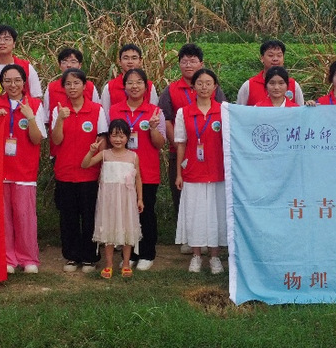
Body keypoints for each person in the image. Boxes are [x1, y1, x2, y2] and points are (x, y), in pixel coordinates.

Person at [0, 64, 47, 275]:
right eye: (8, 81)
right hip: (1, 169)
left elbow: (37, 139)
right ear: (2, 83)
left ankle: (28, 258)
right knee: (4, 217)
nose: (13, 85)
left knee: (24, 216)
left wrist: (30, 117)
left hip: (25, 171)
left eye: (17, 80)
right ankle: (8, 258)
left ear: (24, 82)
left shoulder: (35, 104)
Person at [51, 68, 108, 273]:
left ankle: (90, 257)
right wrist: (60, 119)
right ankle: (71, 256)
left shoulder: (96, 110)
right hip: (65, 172)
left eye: (76, 83)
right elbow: (56, 141)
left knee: (90, 215)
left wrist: (99, 168)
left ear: (85, 86)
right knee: (69, 217)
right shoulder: (59, 110)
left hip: (89, 173)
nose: (72, 87)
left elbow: (103, 141)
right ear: (63, 88)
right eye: (68, 84)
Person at [108, 68, 166, 270]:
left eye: (139, 82)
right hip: (120, 170)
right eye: (130, 82)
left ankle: (147, 253)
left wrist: (153, 128)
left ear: (146, 86)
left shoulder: (155, 112)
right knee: (125, 213)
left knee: (145, 212)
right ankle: (130, 254)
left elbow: (160, 144)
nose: (134, 86)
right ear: (124, 86)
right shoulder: (115, 110)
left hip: (147, 170)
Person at [175, 68, 226, 275]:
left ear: (215, 87)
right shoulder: (183, 112)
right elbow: (181, 143)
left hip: (217, 170)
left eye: (208, 83)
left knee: (216, 214)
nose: (204, 87)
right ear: (193, 86)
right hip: (193, 170)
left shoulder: (224, 111)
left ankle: (214, 256)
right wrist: (179, 173)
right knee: (194, 213)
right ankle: (196, 255)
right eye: (200, 83)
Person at [81, 119, 144, 279]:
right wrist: (91, 151)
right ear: (109, 137)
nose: (118, 139)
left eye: (121, 136)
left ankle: (126, 263)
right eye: (114, 135)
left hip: (127, 200)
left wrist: (140, 199)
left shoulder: (133, 156)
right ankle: (109, 264)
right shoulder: (104, 155)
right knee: (108, 230)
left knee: (127, 229)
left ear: (127, 137)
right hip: (108, 200)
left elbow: (138, 179)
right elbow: (85, 165)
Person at [0, 25, 41, 115]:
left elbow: (36, 98)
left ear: (14, 43)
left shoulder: (27, 68)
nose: (2, 43)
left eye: (7, 39)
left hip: (22, 120)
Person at [236, 39, 304, 106]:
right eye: (270, 55)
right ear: (262, 58)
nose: (275, 59)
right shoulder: (249, 86)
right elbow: (239, 111)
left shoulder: (293, 85)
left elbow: (301, 111)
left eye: (279, 55)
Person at [100, 44, 159, 115]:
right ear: (119, 61)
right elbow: (105, 115)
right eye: (126, 58)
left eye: (134, 58)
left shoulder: (149, 86)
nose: (130, 62)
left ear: (140, 61)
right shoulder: (110, 87)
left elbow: (155, 112)